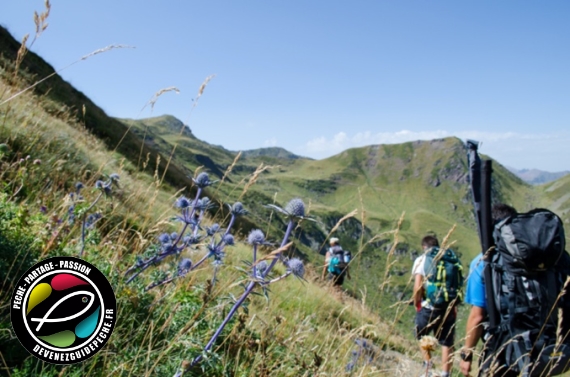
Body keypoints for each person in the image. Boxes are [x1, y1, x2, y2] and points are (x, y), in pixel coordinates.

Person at [459, 204, 518, 377]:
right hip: (540, 343)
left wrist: (466, 354)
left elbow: (477, 315)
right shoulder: (532, 258)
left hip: (501, 347)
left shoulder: (482, 262)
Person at [412, 235, 458, 377]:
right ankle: (445, 374)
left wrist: (417, 303)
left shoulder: (422, 260)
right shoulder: (449, 260)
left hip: (428, 307)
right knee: (446, 341)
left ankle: (428, 368)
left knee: (420, 333)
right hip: (448, 307)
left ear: (424, 247)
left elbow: (418, 286)